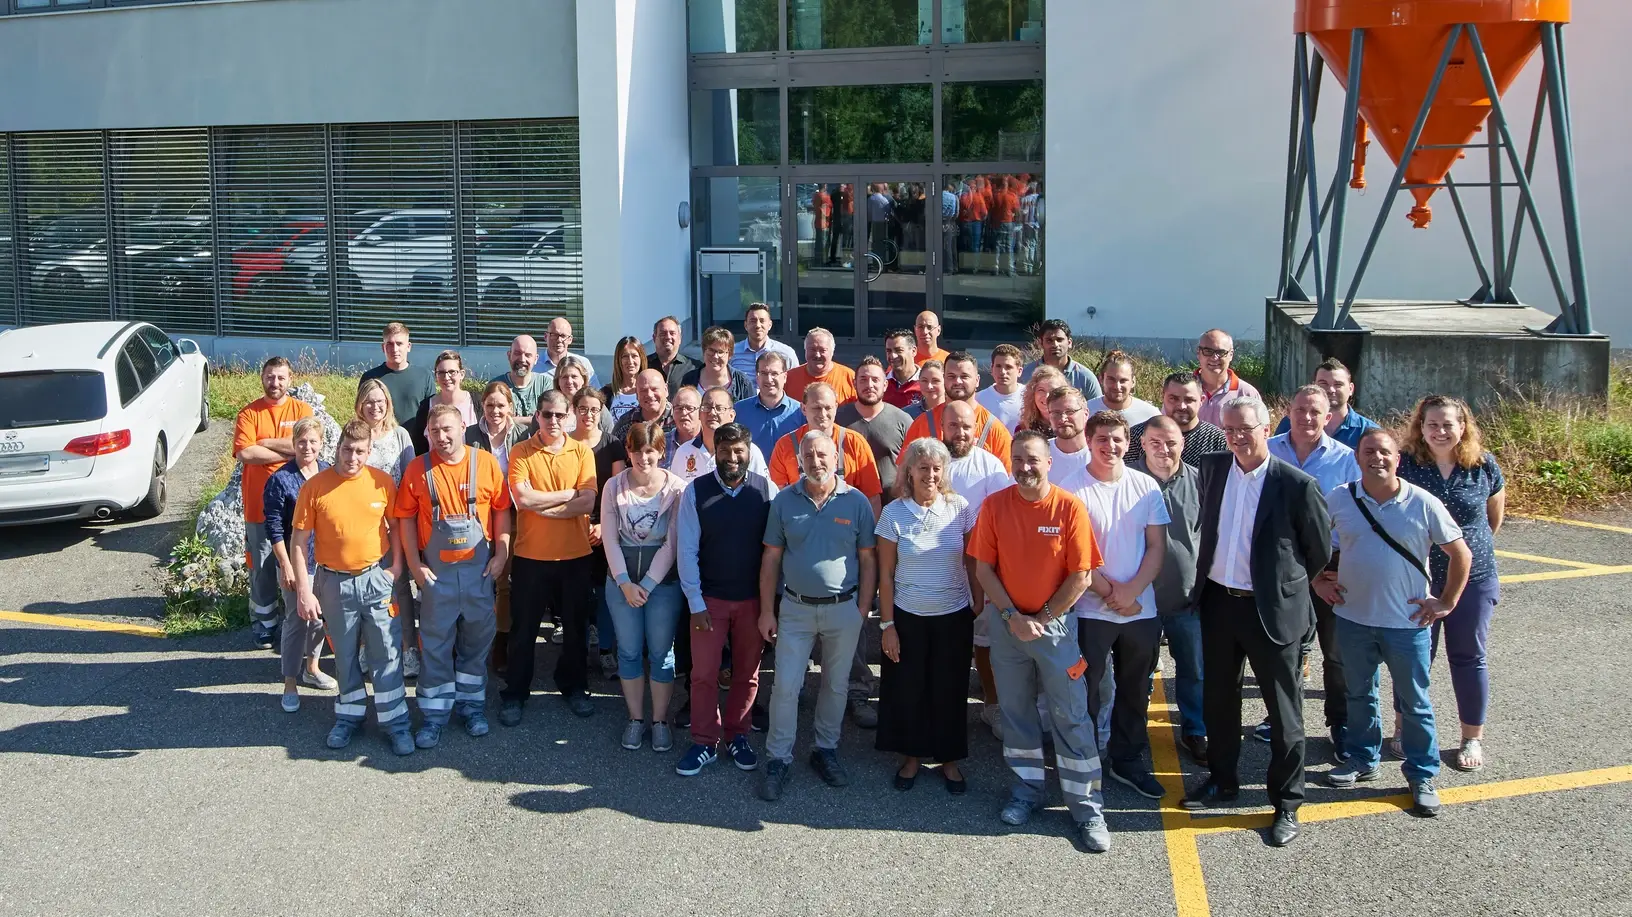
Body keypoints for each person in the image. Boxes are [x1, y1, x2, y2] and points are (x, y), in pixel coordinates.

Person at [1181, 397, 1331, 849]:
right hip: (1218, 604)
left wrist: (1284, 588)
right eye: (1229, 429)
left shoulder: (1296, 485)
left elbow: (1318, 552)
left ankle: (1286, 801)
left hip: (1271, 610)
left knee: (1285, 714)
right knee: (1219, 703)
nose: (1237, 437)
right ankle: (1223, 781)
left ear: (1267, 428)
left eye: (1245, 429)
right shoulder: (1213, 468)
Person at [1316, 428, 1471, 818]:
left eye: (1384, 452)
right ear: (1358, 458)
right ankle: (1361, 759)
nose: (1377, 458)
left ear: (1397, 458)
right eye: (1369, 452)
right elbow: (1309, 541)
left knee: (1414, 702)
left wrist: (1447, 601)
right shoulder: (1340, 499)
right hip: (1353, 619)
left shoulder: (1423, 502)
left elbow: (1460, 553)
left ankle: (1421, 775)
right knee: (1359, 694)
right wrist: (1318, 579)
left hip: (1407, 623)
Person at [970, 431, 1111, 853]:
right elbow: (983, 570)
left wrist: (1042, 619)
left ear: (1048, 462)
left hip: (1057, 630)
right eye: (1018, 459)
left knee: (1071, 715)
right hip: (1008, 629)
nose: (1025, 466)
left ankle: (1088, 810)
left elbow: (1082, 576)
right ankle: (1025, 792)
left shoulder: (1069, 507)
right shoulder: (995, 506)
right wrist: (1013, 618)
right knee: (1015, 714)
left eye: (1032, 459)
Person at [757, 431, 879, 800]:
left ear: (837, 459)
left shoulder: (856, 502)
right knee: (786, 687)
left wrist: (862, 608)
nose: (816, 461)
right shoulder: (783, 503)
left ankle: (825, 750)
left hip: (844, 610)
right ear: (799, 460)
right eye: (808, 455)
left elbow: (869, 559)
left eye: (823, 455)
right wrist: (767, 610)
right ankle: (778, 759)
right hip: (794, 609)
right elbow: (771, 559)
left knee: (835, 685)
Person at [1064, 411, 1170, 800]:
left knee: (1134, 688)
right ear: (1089, 442)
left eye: (1118, 439)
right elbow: (1074, 556)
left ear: (1130, 443)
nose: (1110, 446)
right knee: (1086, 689)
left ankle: (1126, 760)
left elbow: (1157, 547)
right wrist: (1112, 593)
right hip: (1091, 609)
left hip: (1140, 610)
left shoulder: (1146, 487)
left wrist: (1132, 593)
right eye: (1102, 439)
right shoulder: (1071, 488)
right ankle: (1087, 761)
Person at [1397, 394, 1505, 772]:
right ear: (1420, 428)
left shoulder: (1483, 465)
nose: (1440, 431)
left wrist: (1465, 555)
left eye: (1448, 424)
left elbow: (1492, 520)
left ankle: (1471, 737)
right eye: (1432, 424)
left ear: (1463, 427)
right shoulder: (1405, 465)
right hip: (1417, 578)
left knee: (1468, 657)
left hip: (1473, 578)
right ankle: (1403, 728)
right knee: (1412, 657)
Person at [290, 419, 410, 755]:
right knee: (343, 656)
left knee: (386, 653)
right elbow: (299, 541)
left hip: (376, 580)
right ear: (337, 448)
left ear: (369, 451)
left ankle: (396, 723)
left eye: (359, 451)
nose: (352, 457)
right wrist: (304, 589)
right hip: (333, 584)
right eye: (346, 449)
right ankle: (349, 717)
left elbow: (396, 526)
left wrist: (396, 568)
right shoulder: (315, 487)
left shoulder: (382, 483)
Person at [395, 405, 512, 748]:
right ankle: (433, 715)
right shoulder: (418, 469)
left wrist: (502, 553)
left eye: (448, 429)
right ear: (427, 434)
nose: (442, 438)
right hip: (437, 578)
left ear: (464, 426)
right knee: (434, 645)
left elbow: (503, 510)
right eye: (435, 432)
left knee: (476, 644)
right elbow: (404, 519)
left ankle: (472, 706)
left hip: (479, 574)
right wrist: (415, 566)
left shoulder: (486, 463)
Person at [1263, 384, 1362, 754]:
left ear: (1329, 417)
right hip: (1278, 564)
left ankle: (1340, 722)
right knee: (1282, 646)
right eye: (1300, 409)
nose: (1306, 417)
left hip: (1332, 564)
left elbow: (1356, 513)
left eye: (1315, 412)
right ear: (1288, 410)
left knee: (1336, 652)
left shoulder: (1346, 459)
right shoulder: (1268, 450)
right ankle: (1280, 717)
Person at [674, 422, 776, 776]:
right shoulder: (695, 492)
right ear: (714, 452)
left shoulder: (767, 491)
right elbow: (686, 550)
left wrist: (769, 606)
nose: (732, 458)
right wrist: (695, 602)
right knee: (702, 674)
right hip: (709, 600)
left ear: (749, 452)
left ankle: (738, 735)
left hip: (752, 602)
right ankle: (704, 740)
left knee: (747, 675)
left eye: (739, 451)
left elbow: (774, 551)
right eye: (725, 451)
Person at [875, 437, 977, 792]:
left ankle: (949, 760)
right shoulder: (893, 513)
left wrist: (977, 604)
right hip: (908, 616)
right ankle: (912, 757)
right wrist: (887, 625)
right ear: (909, 472)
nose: (930, 475)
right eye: (923, 468)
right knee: (909, 688)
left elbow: (972, 560)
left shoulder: (960, 507)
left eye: (936, 468)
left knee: (949, 688)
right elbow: (885, 574)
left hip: (953, 616)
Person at [501, 391, 599, 725]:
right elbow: (523, 498)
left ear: (569, 415)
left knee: (575, 629)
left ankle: (573, 686)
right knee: (524, 630)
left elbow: (587, 503)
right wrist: (567, 497)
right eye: (546, 414)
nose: (552, 421)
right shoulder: (521, 451)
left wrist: (548, 505)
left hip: (575, 556)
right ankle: (515, 693)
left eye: (558, 415)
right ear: (537, 416)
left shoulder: (582, 452)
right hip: (531, 556)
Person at [600, 420, 688, 754]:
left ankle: (660, 721)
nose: (643, 458)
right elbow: (609, 537)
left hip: (661, 585)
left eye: (650, 451)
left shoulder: (677, 488)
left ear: (661, 452)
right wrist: (624, 583)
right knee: (629, 650)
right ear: (629, 451)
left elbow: (672, 542)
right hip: (621, 583)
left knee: (662, 653)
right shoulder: (613, 486)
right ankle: (636, 719)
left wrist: (648, 584)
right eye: (637, 451)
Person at [1128, 416, 1207, 763]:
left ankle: (1195, 729)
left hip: (1186, 597)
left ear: (1183, 443)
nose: (1164, 449)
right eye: (1155, 442)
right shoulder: (1126, 479)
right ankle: (1132, 730)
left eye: (1171, 442)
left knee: (1194, 669)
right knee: (1136, 671)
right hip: (1139, 599)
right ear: (1142, 444)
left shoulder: (1201, 481)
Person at [234, 356, 315, 650]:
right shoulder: (249, 413)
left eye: (281, 377)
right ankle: (265, 623)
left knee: (301, 564)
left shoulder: (302, 410)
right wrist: (290, 449)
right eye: (270, 377)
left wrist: (265, 442)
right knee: (263, 566)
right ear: (262, 378)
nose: (275, 383)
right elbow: (245, 453)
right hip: (258, 507)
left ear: (290, 379)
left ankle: (297, 619)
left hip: (298, 505)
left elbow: (309, 445)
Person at [942, 399, 1012, 737]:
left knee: (983, 642)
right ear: (942, 426)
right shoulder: (930, 461)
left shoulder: (992, 467)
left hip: (980, 568)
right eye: (953, 425)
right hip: (937, 569)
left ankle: (992, 705)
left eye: (966, 426)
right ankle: (944, 705)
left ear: (976, 428)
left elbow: (1000, 523)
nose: (960, 432)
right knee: (944, 643)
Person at [262, 417, 336, 713]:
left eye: (313, 441)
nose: (307, 447)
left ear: (321, 444)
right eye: (301, 442)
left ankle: (313, 668)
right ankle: (290, 683)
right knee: (297, 620)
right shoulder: (281, 479)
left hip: (326, 560)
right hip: (296, 561)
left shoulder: (330, 471)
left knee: (319, 618)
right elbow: (275, 528)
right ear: (293, 445)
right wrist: (286, 565)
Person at [356, 377, 421, 675]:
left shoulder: (400, 435)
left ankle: (410, 649)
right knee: (365, 588)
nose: (375, 406)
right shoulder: (354, 435)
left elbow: (410, 479)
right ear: (360, 405)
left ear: (388, 404)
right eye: (369, 401)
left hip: (396, 522)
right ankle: (367, 649)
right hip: (363, 523)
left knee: (400, 586)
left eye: (379, 401)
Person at [467, 381, 533, 674]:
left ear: (511, 408)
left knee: (506, 582)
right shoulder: (471, 435)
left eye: (501, 405)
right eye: (490, 405)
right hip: (480, 516)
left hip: (516, 514)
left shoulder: (523, 434)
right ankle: (474, 639)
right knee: (481, 579)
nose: (495, 411)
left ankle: (503, 642)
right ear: (483, 406)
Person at [573, 387, 628, 679]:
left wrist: (601, 526)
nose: (589, 414)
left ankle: (606, 651)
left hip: (605, 527)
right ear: (574, 410)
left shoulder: (613, 445)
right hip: (571, 527)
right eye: (583, 408)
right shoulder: (566, 443)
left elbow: (617, 491)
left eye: (594, 409)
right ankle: (579, 653)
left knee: (606, 592)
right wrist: (581, 522)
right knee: (577, 594)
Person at [767, 382, 883, 518]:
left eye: (828, 408)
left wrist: (869, 537)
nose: (823, 414)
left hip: (847, 529)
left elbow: (872, 498)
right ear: (803, 408)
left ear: (836, 407)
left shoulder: (855, 443)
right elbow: (777, 497)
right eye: (816, 408)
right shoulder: (785, 446)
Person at [899, 352, 1013, 474]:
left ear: (977, 380)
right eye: (951, 376)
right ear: (944, 379)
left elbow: (1008, 480)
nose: (958, 381)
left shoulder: (994, 430)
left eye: (964, 376)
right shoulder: (923, 423)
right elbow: (903, 474)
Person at [837, 357, 912, 497]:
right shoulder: (838, 419)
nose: (869, 385)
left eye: (875, 380)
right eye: (863, 379)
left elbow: (913, 465)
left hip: (893, 505)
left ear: (885, 385)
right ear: (854, 384)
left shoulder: (903, 420)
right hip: (846, 504)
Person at [1273, 357, 1379, 448]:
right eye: (1323, 383)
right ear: (1314, 386)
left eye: (1338, 384)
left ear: (1351, 389)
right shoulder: (1290, 423)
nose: (1331, 390)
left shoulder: (1367, 431)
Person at [1126, 372, 1229, 466]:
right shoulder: (1138, 435)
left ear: (1201, 400)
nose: (1181, 406)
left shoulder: (1218, 440)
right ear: (1163, 397)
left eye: (1189, 400)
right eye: (1174, 399)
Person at [670, 386, 770, 482]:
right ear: (700, 413)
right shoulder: (683, 452)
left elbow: (764, 491)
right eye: (707, 407)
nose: (712, 413)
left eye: (719, 408)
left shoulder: (749, 451)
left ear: (732, 415)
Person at [360, 321, 436, 428]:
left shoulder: (424, 376)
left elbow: (432, 413)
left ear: (409, 346)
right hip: (382, 441)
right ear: (383, 347)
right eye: (389, 344)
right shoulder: (370, 378)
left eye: (399, 344)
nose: (395, 349)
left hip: (417, 443)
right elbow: (361, 414)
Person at [735, 351, 804, 462]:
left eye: (774, 373)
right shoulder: (739, 410)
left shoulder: (800, 412)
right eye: (763, 373)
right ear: (757, 377)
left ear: (785, 377)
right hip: (752, 477)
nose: (769, 379)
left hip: (790, 477)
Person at [410, 350, 478, 454]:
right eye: (441, 373)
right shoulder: (426, 406)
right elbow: (419, 446)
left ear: (462, 374)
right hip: (435, 468)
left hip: (472, 466)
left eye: (452, 372)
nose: (446, 377)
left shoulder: (476, 403)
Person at [1021, 319, 1103, 400]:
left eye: (1059, 340)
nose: (1055, 345)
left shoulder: (1085, 377)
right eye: (1049, 340)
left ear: (1069, 343)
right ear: (1040, 343)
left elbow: (1097, 409)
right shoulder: (1026, 374)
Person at [1194, 329, 1261, 428]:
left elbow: (1259, 435)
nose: (1214, 357)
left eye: (1221, 352)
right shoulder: (1181, 389)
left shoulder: (1246, 394)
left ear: (1231, 355)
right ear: (1198, 353)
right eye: (1208, 351)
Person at [681, 326, 754, 404]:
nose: (715, 356)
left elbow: (751, 412)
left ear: (729, 354)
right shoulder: (689, 379)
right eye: (711, 350)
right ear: (704, 350)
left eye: (720, 352)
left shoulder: (743, 383)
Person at [731, 302, 799, 384]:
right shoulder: (732, 353)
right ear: (745, 325)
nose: (758, 325)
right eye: (753, 321)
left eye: (762, 321)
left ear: (770, 325)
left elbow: (795, 384)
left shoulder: (786, 354)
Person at [783, 328, 856, 405]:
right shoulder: (789, 378)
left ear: (832, 351)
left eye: (822, 350)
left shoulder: (849, 377)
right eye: (812, 349)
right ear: (805, 350)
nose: (817, 355)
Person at [1087, 350, 1159, 425]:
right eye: (1111, 379)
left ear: (1133, 382)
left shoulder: (1150, 416)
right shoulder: (1086, 411)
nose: (1117, 387)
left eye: (1123, 380)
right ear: (1101, 379)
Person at [492, 334, 549, 419]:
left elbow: (550, 418)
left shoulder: (545, 385)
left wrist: (512, 419)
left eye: (528, 355)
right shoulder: (495, 386)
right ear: (509, 356)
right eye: (517, 353)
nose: (522, 359)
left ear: (536, 359)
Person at [553, 353, 611, 436]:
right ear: (558, 381)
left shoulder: (596, 406)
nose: (569, 381)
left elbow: (610, 435)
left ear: (583, 379)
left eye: (574, 376)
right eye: (564, 377)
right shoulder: (550, 407)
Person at [611, 369, 675, 442]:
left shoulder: (679, 419)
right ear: (637, 394)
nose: (649, 395)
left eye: (654, 389)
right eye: (643, 390)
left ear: (666, 390)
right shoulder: (625, 423)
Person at [1045, 386, 1092, 484]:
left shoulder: (1099, 454)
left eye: (1070, 412)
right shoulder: (1039, 452)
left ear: (1086, 414)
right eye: (1056, 413)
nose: (1063, 419)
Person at [538, 317, 600, 390]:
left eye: (563, 336)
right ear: (545, 336)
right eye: (554, 335)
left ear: (570, 339)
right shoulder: (534, 364)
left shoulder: (582, 363)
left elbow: (596, 394)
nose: (559, 340)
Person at [975, 343, 1026, 432]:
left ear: (1019, 371)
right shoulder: (979, 399)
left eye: (1008, 367)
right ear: (992, 368)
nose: (1002, 372)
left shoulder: (1030, 396)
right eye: (998, 366)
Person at [648, 315, 697, 395]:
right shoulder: (643, 365)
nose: (668, 337)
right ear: (654, 338)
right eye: (663, 333)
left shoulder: (694, 367)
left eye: (672, 333)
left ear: (680, 338)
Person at [605, 336, 647, 423]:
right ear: (618, 361)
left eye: (634, 356)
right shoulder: (606, 393)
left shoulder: (650, 392)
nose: (630, 361)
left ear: (641, 359)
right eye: (625, 356)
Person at [1017, 364, 1066, 436]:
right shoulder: (1023, 429)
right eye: (1041, 390)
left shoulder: (1072, 426)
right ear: (1033, 394)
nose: (1046, 396)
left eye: (1053, 390)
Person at [881, 329, 924, 412]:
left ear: (913, 351)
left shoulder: (928, 384)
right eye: (889, 351)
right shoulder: (880, 383)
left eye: (898, 350)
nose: (893, 356)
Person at [940, 180, 960, 274]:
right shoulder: (954, 197)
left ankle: (948, 268)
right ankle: (954, 267)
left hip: (942, 222)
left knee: (945, 246)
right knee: (952, 246)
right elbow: (957, 213)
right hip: (951, 222)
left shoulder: (938, 196)